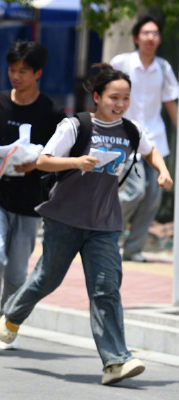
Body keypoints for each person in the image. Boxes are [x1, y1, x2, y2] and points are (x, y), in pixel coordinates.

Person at [0, 64, 173, 386]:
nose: (120, 104)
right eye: (113, 97)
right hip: (64, 218)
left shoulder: (131, 130)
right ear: (97, 97)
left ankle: (116, 361)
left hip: (105, 223)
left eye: (125, 98)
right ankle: (12, 314)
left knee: (106, 289)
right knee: (47, 279)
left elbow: (151, 152)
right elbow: (43, 161)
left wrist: (162, 171)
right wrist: (77, 162)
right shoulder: (76, 126)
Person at [0, 41, 66, 350]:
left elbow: (60, 154)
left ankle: (6, 322)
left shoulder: (51, 111)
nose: (16, 76)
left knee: (16, 271)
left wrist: (38, 163)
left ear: (38, 73)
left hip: (31, 200)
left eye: (23, 71)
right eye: (12, 70)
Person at [110, 15, 179, 262]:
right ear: (136, 38)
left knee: (152, 197)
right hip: (126, 137)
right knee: (134, 191)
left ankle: (133, 249)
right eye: (146, 33)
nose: (151, 38)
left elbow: (170, 102)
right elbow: (105, 94)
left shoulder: (163, 67)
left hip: (156, 140)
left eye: (155, 33)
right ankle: (107, 233)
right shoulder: (122, 62)